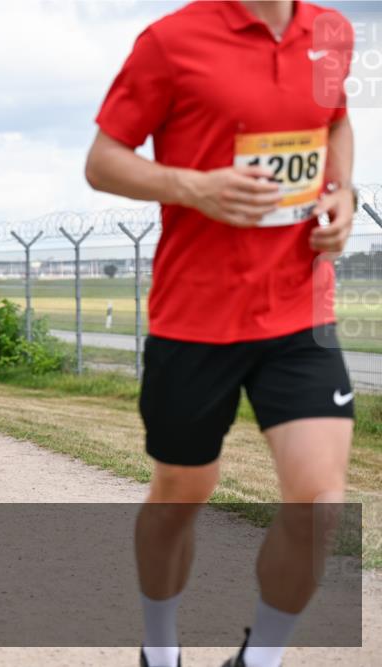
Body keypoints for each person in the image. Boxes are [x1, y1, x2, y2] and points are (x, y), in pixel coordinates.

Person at [84, 2, 356, 666]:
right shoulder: (171, 41)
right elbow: (103, 161)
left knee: (320, 501)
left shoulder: (331, 32)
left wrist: (343, 192)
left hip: (301, 310)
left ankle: (258, 658)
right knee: (181, 494)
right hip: (196, 318)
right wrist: (193, 186)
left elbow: (336, 120)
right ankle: (160, 646)